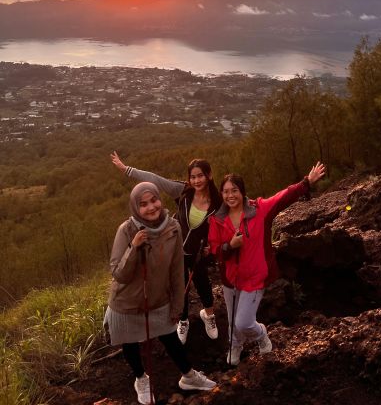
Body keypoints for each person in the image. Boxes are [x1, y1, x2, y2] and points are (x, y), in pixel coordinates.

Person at [104, 181, 216, 404]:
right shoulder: (127, 230)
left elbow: (177, 271)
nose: (151, 207)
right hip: (126, 303)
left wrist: (177, 306)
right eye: (143, 204)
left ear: (160, 199)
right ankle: (141, 378)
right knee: (130, 343)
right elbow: (119, 274)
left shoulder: (173, 227)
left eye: (153, 200)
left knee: (170, 337)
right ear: (136, 207)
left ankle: (189, 376)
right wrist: (134, 247)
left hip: (157, 299)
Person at [208, 162, 326, 366]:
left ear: (242, 192)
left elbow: (283, 197)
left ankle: (261, 334)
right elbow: (215, 250)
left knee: (243, 322)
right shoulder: (217, 219)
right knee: (231, 321)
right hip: (230, 279)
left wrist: (306, 182)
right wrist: (230, 245)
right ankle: (235, 346)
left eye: (234, 190)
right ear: (221, 194)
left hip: (255, 277)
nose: (230, 196)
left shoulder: (259, 210)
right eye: (226, 192)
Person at [111, 152, 222, 345]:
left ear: (209, 175)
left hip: (198, 252)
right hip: (175, 249)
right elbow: (154, 180)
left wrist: (212, 246)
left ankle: (209, 315)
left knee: (203, 283)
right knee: (179, 286)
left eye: (200, 176)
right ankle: (183, 320)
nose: (196, 180)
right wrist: (126, 169)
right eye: (193, 176)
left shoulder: (218, 202)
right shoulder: (183, 192)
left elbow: (224, 222)